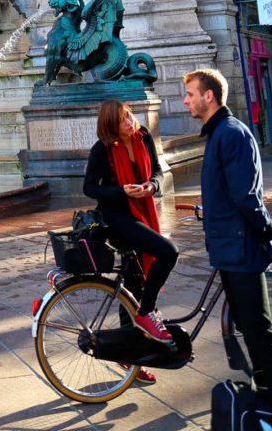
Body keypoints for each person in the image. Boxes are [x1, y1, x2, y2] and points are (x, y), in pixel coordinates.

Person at [183, 68, 272, 403]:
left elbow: (246, 196)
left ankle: (269, 392)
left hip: (241, 247)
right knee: (252, 326)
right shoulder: (221, 133)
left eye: (191, 93)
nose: (186, 100)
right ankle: (265, 388)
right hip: (230, 247)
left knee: (257, 327)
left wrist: (267, 230)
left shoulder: (231, 133)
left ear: (210, 96)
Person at [84, 99, 179, 361]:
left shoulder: (143, 136)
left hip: (143, 213)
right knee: (168, 252)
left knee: (132, 286)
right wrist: (121, 191)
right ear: (110, 127)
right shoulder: (102, 149)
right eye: (121, 121)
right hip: (117, 217)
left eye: (128, 116)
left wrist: (152, 186)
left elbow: (158, 171)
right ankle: (146, 313)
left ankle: (131, 357)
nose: (129, 123)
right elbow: (89, 187)